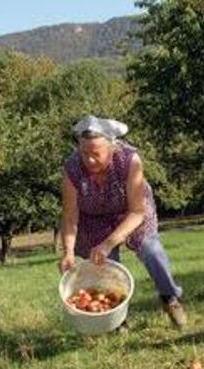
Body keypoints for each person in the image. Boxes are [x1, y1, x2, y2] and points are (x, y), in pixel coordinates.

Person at [58, 115, 186, 328]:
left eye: (96, 154)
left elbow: (137, 212)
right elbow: (70, 215)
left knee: (152, 251)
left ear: (112, 148)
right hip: (94, 217)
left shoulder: (129, 161)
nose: (89, 160)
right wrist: (68, 252)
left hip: (131, 212)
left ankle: (170, 298)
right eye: (84, 153)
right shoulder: (72, 168)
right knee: (106, 264)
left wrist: (109, 242)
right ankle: (116, 319)